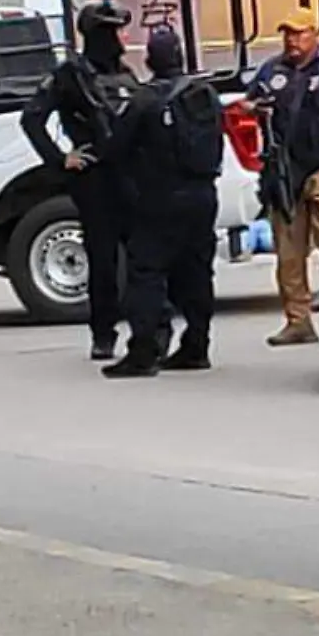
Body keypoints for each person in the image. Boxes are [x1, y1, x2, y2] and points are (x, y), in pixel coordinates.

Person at [19, 0, 141, 360]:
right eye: (117, 30)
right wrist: (61, 160)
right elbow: (32, 120)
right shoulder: (70, 75)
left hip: (131, 176)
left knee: (140, 258)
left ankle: (145, 330)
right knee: (102, 261)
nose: (124, 37)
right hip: (96, 179)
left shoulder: (124, 74)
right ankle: (103, 334)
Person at [99, 29, 223, 378]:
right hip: (203, 194)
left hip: (160, 197)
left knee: (146, 273)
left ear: (150, 59)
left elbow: (116, 148)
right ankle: (197, 345)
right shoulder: (206, 94)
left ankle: (143, 351)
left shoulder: (145, 100)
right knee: (198, 271)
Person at [248, 6, 319, 346]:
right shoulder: (272, 70)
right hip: (285, 171)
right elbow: (248, 102)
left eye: (299, 34)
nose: (292, 41)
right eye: (287, 34)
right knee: (289, 252)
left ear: (314, 34)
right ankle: (298, 321)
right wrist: (255, 108)